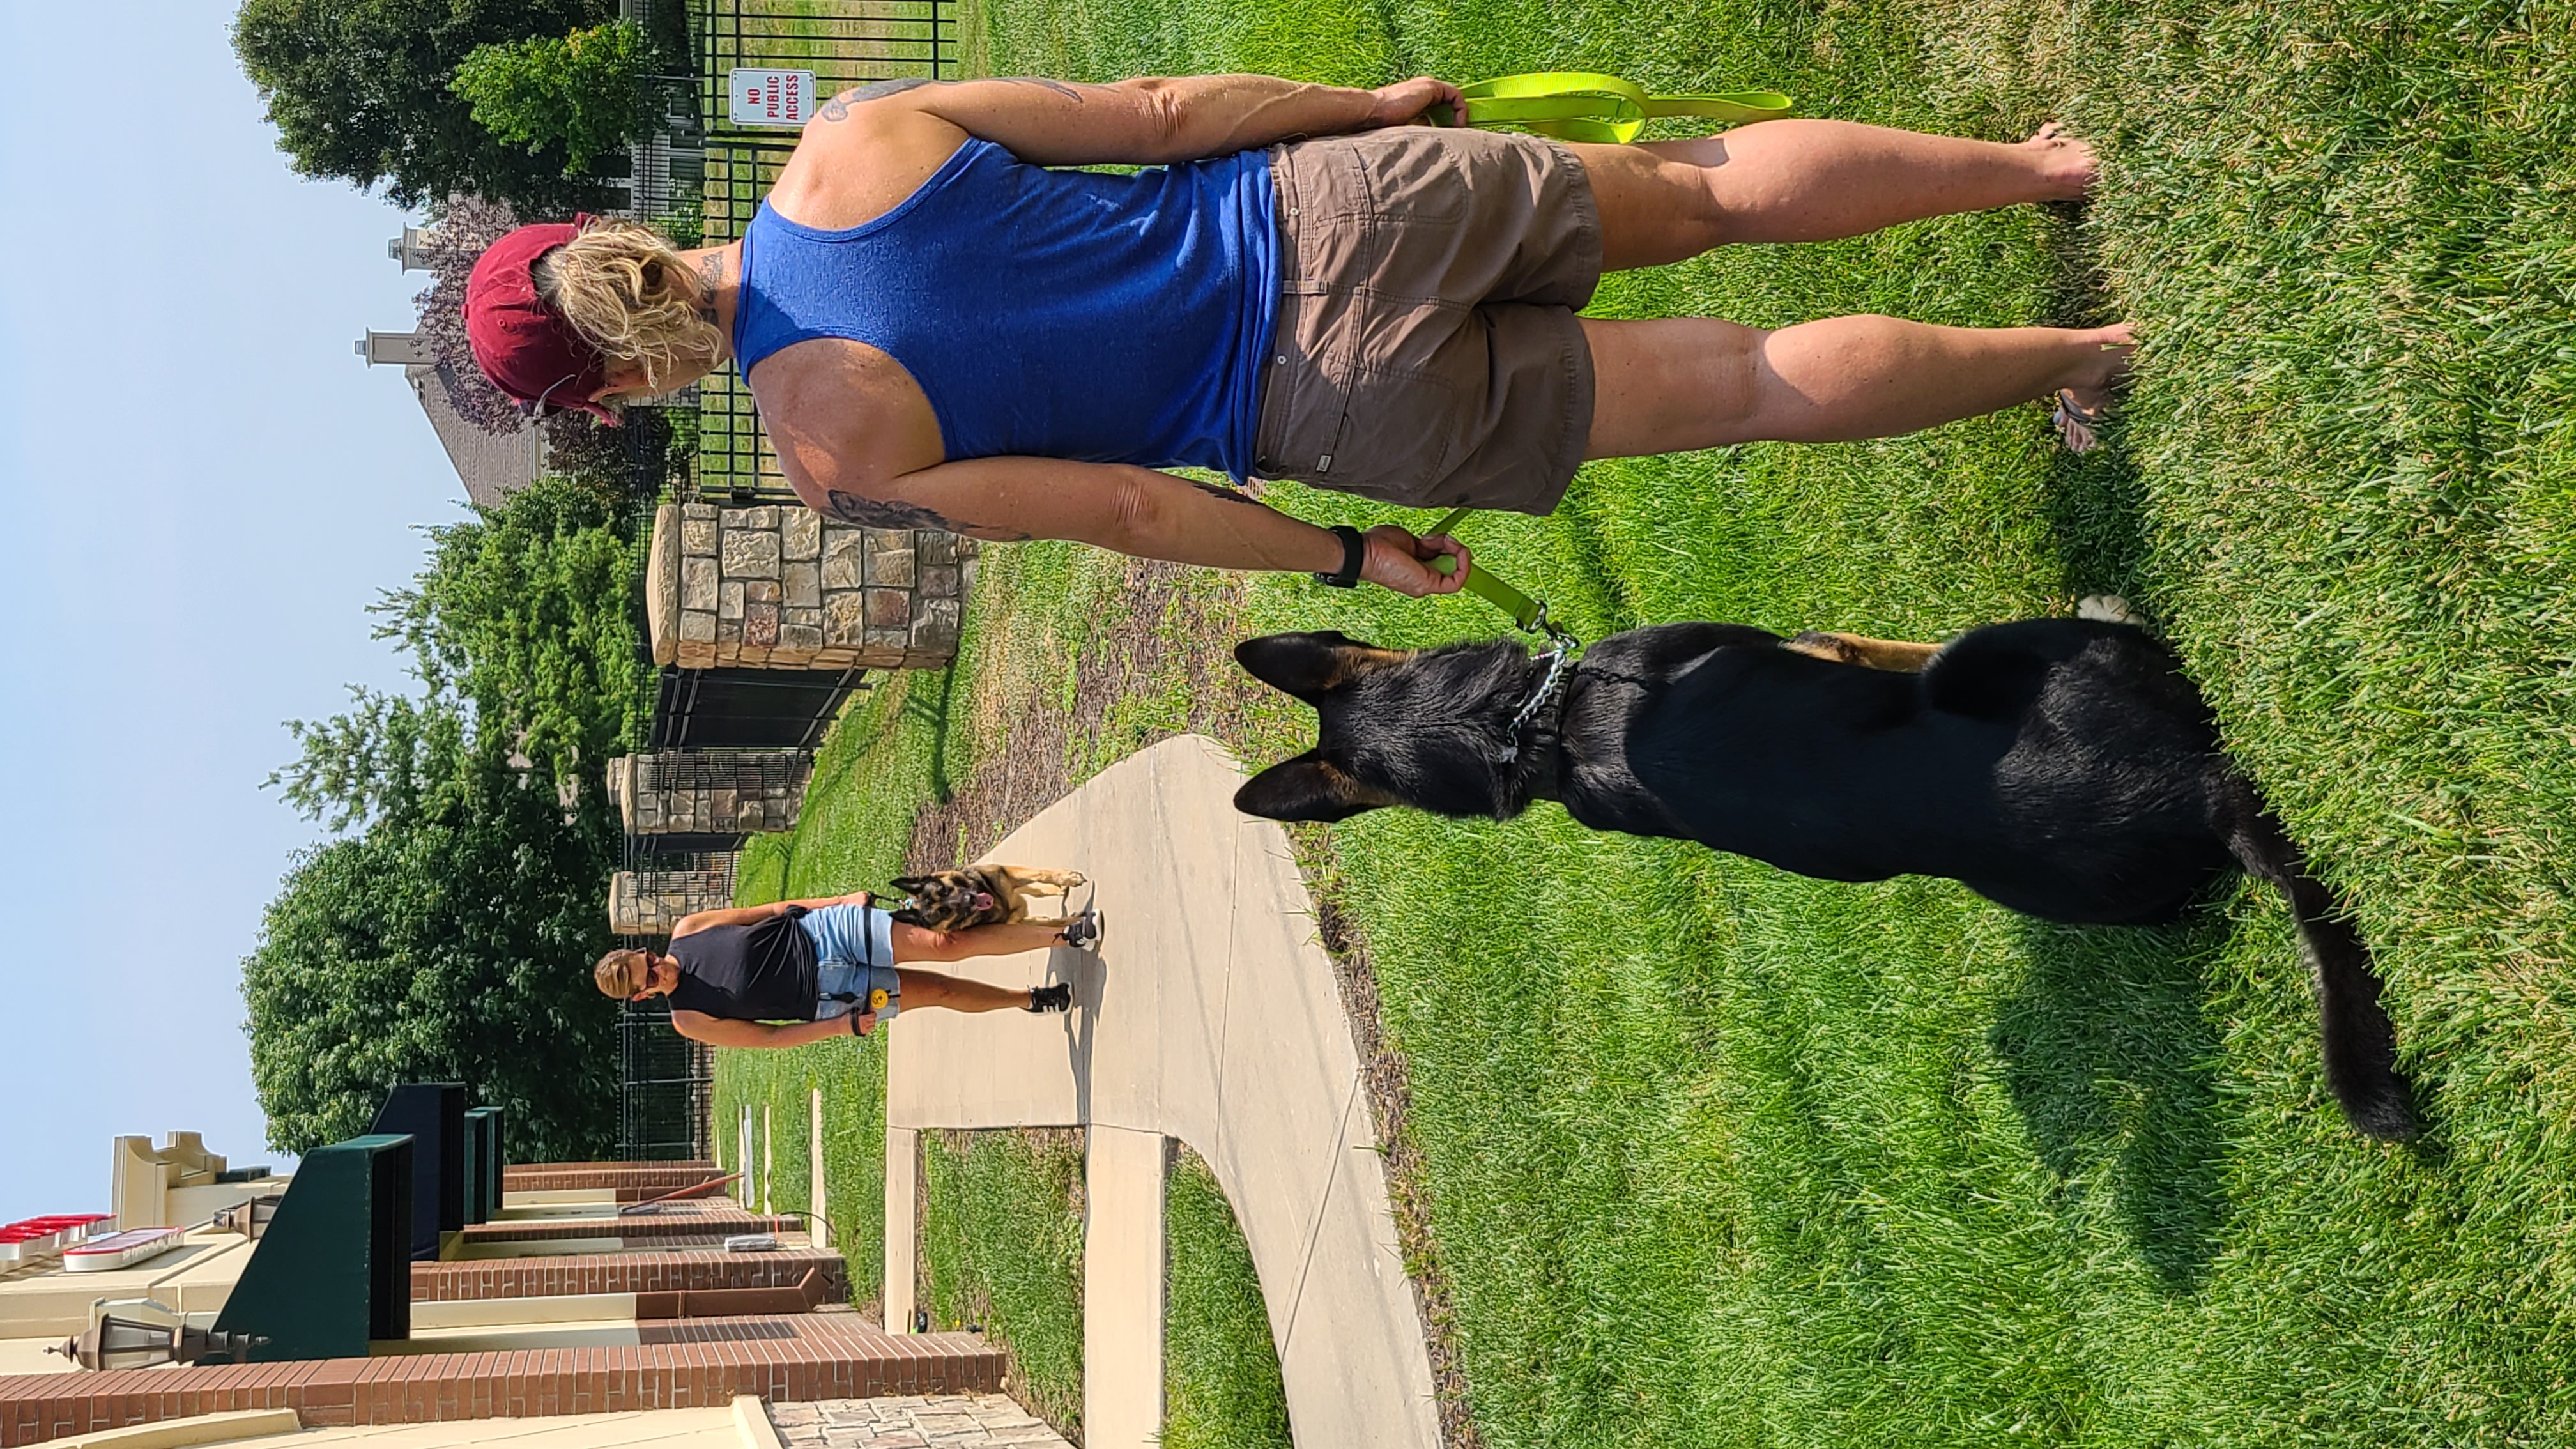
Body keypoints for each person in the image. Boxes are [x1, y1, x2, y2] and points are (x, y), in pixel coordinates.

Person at [465, 72, 2130, 597]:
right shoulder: (849, 142)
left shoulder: (836, 457)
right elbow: (1163, 109)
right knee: (1695, 190)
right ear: (588, 240)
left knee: (1745, 385)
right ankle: (2048, 168)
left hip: (1330, 403)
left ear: (620, 388)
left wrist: (1347, 563)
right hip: (1325, 211)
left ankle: (2082, 358)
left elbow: (1126, 508)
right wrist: (1371, 105)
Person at [594, 891, 1100, 1046]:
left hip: (827, 932)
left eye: (651, 959)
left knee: (944, 942)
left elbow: (773, 910)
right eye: (651, 978)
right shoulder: (688, 1019)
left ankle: (1065, 933)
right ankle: (1029, 999)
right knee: (940, 991)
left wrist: (838, 901)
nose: (661, 967)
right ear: (643, 996)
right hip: (835, 995)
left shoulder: (689, 929)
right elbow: (770, 1038)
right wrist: (840, 1025)